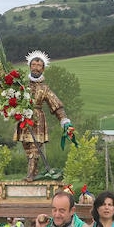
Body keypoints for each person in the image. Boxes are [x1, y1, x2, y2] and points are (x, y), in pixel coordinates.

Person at [13, 50, 73, 181]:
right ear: (30, 66)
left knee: (35, 148)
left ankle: (30, 175)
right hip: (23, 119)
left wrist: (63, 119)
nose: (36, 68)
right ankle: (34, 172)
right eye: (33, 65)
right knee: (27, 147)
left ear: (43, 69)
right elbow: (10, 95)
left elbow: (55, 103)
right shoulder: (21, 85)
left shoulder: (44, 88)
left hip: (37, 121)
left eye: (39, 65)